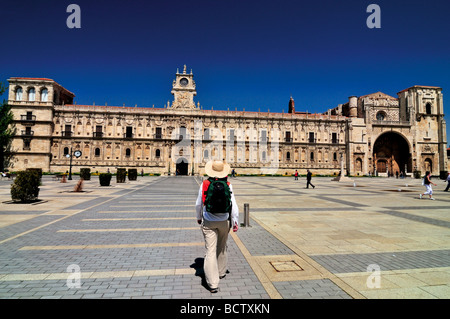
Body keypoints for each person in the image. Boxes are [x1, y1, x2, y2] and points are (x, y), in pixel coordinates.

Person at [196, 160, 239, 293]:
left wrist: (198, 217)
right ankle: (221, 272)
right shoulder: (228, 184)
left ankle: (213, 283)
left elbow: (198, 204)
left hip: (209, 220)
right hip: (224, 221)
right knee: (222, 247)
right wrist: (235, 221)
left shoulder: (205, 184)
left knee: (210, 251)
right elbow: (234, 206)